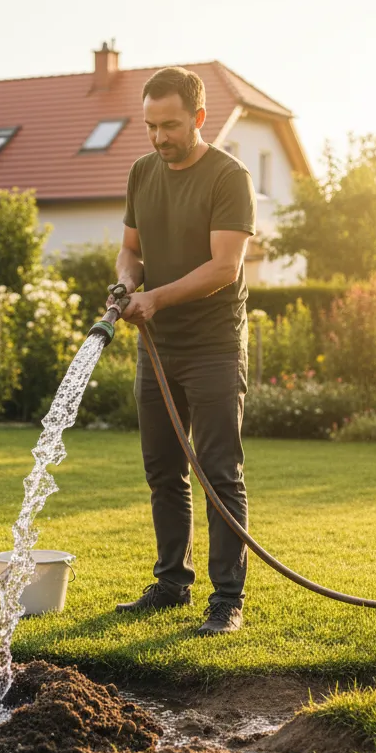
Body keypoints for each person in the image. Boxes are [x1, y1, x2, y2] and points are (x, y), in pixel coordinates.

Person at [113, 66, 256, 635]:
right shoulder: (142, 172)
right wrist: (127, 284)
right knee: (163, 471)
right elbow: (130, 250)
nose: (158, 137)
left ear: (199, 118)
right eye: (150, 126)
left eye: (169, 125)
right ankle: (172, 583)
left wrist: (155, 298)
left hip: (213, 347)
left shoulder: (229, 176)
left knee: (219, 473)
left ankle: (226, 601)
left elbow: (225, 267)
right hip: (158, 348)